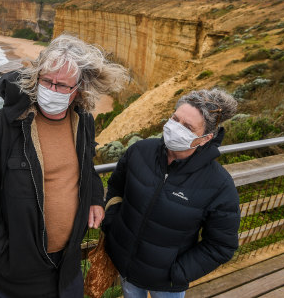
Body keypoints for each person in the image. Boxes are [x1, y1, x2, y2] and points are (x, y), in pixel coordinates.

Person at [0, 34, 129, 298]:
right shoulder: (2, 127)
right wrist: (4, 253)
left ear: (78, 88)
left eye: (63, 85)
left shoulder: (83, 122)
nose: (53, 90)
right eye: (47, 81)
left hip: (68, 266)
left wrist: (95, 197)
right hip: (18, 274)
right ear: (36, 78)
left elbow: (86, 169)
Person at [101, 89, 241, 298]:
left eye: (188, 127)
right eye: (175, 119)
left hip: (166, 285)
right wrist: (112, 225)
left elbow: (221, 245)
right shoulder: (139, 151)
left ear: (205, 138)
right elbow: (116, 187)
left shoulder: (219, 185)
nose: (176, 128)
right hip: (126, 267)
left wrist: (177, 273)